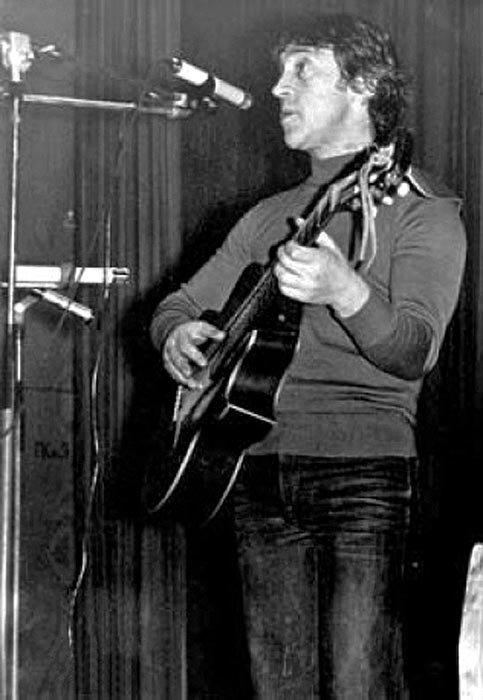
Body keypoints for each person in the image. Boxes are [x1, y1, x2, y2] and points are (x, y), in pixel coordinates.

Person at [149, 13, 466, 699]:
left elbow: (413, 351)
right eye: (280, 72)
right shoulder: (267, 215)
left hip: (363, 476)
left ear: (364, 86)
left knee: (359, 686)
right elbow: (179, 303)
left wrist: (346, 291)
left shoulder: (424, 210)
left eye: (302, 70)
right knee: (277, 689)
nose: (276, 88)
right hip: (253, 472)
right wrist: (174, 333)